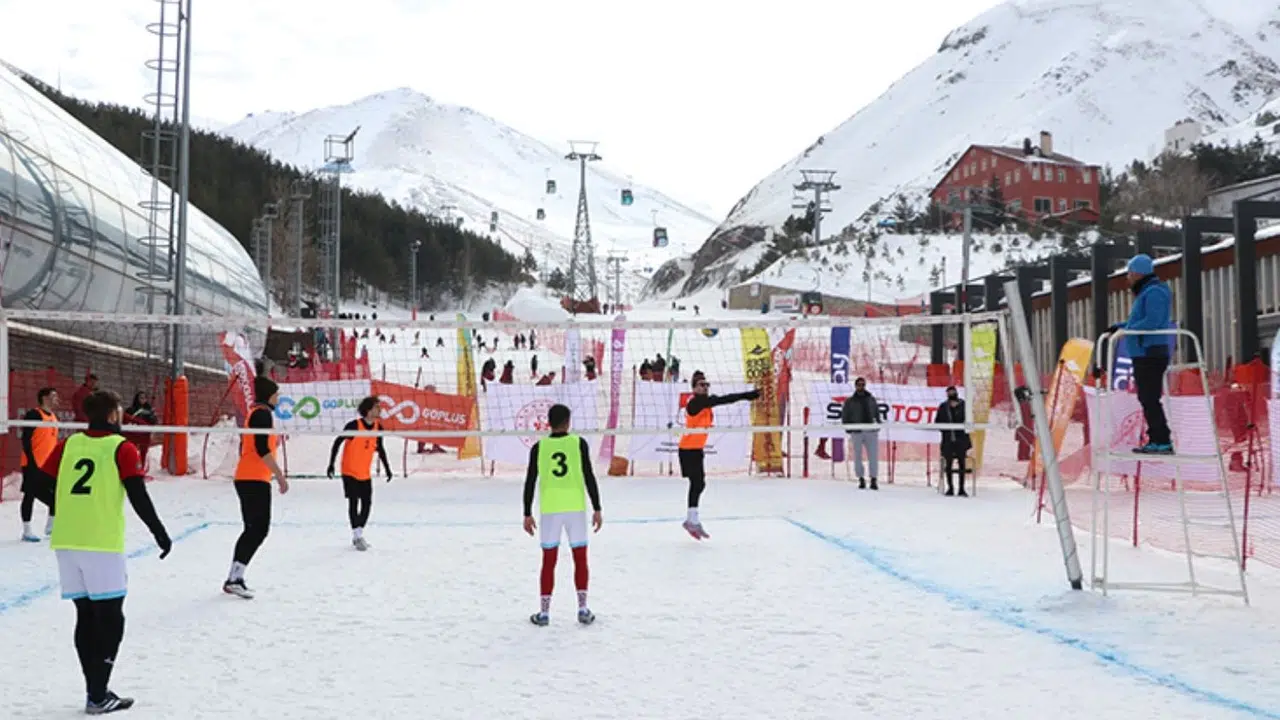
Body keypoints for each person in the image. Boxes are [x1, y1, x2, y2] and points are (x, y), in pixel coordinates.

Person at [42, 389, 171, 714]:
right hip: (100, 543)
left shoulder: (69, 444)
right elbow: (138, 494)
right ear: (114, 415)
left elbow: (37, 482)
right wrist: (159, 532)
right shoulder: (121, 447)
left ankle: (95, 691)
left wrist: (64, 507)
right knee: (111, 619)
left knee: (85, 616)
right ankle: (98, 694)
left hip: (67, 542)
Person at [523, 403, 602, 626]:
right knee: (580, 558)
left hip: (550, 509)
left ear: (548, 422)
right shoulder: (579, 443)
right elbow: (589, 475)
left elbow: (530, 481)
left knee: (549, 561)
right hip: (575, 507)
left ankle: (544, 613)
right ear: (568, 422)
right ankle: (583, 609)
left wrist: (527, 512)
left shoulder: (539, 447)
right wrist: (597, 507)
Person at [224, 376, 289, 599]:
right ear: (269, 395)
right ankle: (234, 578)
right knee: (257, 529)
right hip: (252, 479)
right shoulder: (261, 414)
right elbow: (262, 448)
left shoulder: (260, 413)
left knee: (254, 529)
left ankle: (235, 577)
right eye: (277, 394)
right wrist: (280, 476)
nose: (279, 398)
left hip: (252, 478)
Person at [1107, 253, 1175, 454]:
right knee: (1147, 397)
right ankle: (1158, 438)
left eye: (1129, 273)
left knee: (1149, 397)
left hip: (1149, 352)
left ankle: (1161, 440)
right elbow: (1143, 320)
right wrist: (1120, 327)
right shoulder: (1147, 292)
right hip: (1143, 351)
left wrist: (1128, 330)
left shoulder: (1154, 292)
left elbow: (1152, 322)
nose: (1127, 277)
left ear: (1137, 273)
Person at [678, 372, 759, 539]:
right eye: (701, 385)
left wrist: (747, 396)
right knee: (697, 482)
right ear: (694, 388)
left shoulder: (705, 403)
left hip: (696, 448)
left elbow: (719, 400)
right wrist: (747, 396)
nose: (705, 387)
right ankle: (691, 520)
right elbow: (724, 399)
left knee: (699, 484)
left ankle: (692, 519)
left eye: (707, 385)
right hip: (687, 449)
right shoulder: (695, 403)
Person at [327, 396, 393, 550]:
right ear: (368, 410)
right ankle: (357, 535)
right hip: (349, 470)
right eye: (377, 407)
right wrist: (331, 464)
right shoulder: (354, 426)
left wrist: (387, 468)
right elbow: (337, 442)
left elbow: (380, 448)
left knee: (367, 503)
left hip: (364, 472)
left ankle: (359, 532)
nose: (380, 409)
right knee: (353, 502)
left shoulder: (378, 427)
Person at [19, 386, 59, 541]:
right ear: (45, 398)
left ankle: (50, 526)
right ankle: (26, 530)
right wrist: (31, 462)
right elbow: (26, 440)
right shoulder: (34, 414)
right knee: (30, 495)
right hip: (33, 463)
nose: (56, 399)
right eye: (53, 396)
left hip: (48, 465)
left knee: (56, 495)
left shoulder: (53, 417)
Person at [841, 377, 881, 489]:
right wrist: (848, 428)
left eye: (863, 384)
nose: (861, 386)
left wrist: (878, 425)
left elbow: (877, 413)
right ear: (855, 386)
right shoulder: (849, 401)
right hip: (857, 431)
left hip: (871, 431)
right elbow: (845, 415)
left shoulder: (871, 399)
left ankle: (873, 479)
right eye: (859, 384)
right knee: (857, 456)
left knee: (873, 456)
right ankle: (861, 478)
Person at [936, 386, 971, 497]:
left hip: (961, 440)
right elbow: (937, 422)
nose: (951, 394)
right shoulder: (943, 407)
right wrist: (946, 430)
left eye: (953, 392)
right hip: (948, 440)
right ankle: (950, 488)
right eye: (949, 392)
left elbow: (969, 421)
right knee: (948, 464)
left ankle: (961, 488)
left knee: (962, 464)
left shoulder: (964, 405)